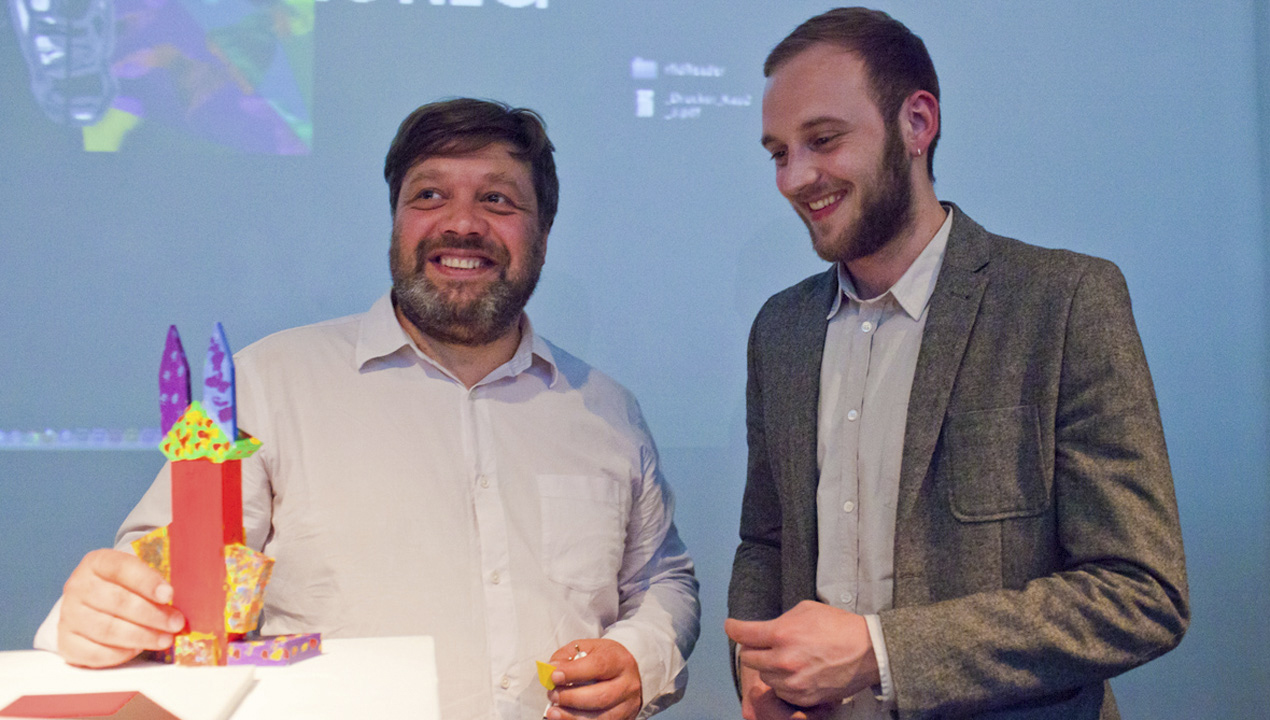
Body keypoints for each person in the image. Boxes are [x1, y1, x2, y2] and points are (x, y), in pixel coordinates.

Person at [35, 98, 700, 720]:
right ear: (395, 222)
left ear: (544, 234)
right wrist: (105, 614)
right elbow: (159, 579)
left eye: (497, 199)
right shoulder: (262, 383)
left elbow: (660, 580)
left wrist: (640, 657)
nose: (461, 223)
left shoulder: (607, 410)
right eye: (429, 195)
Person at [724, 8, 1187, 720]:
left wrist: (882, 653)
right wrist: (757, 672)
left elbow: (1141, 593)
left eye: (823, 140)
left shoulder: (1062, 301)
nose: (795, 177)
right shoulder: (780, 330)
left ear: (917, 122)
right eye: (778, 153)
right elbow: (767, 541)